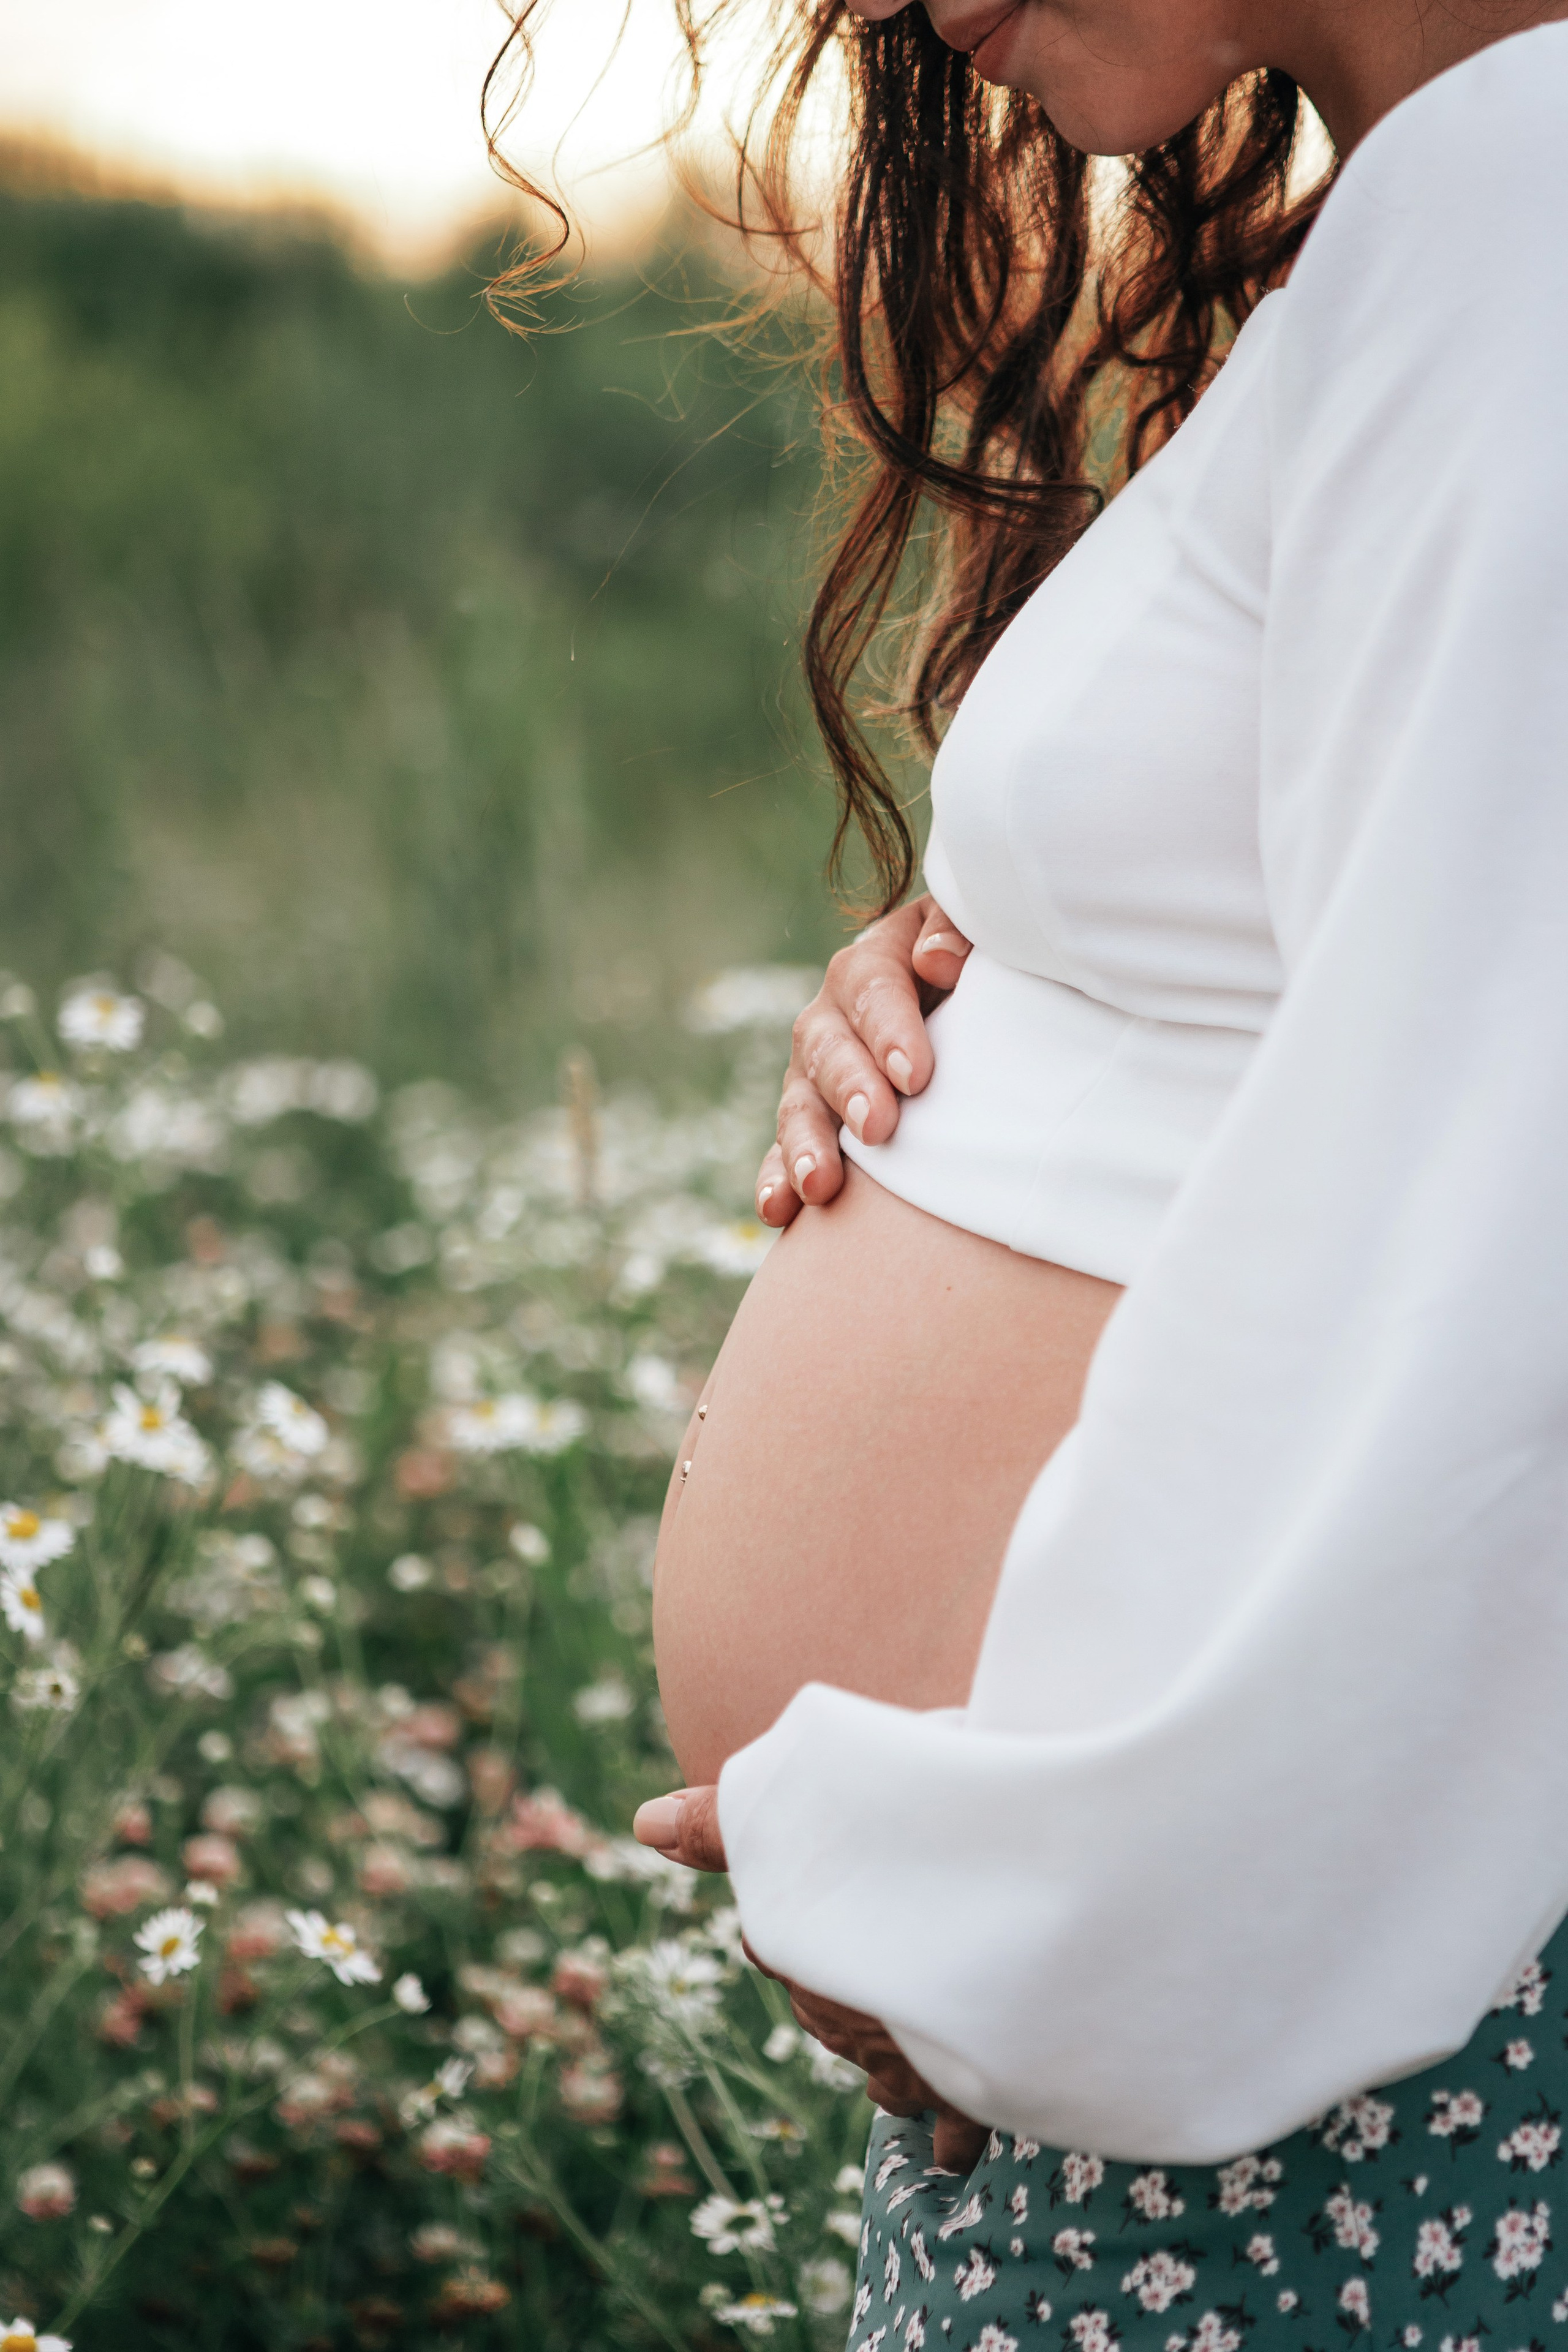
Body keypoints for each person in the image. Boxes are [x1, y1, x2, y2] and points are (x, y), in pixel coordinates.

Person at [537, 0, 1568, 2340]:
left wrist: (1072, 1915)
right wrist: (998, 983)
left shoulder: (1530, 202)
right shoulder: (1454, 209)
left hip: (1304, 2009)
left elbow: (1504, 1229)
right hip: (1226, 1989)